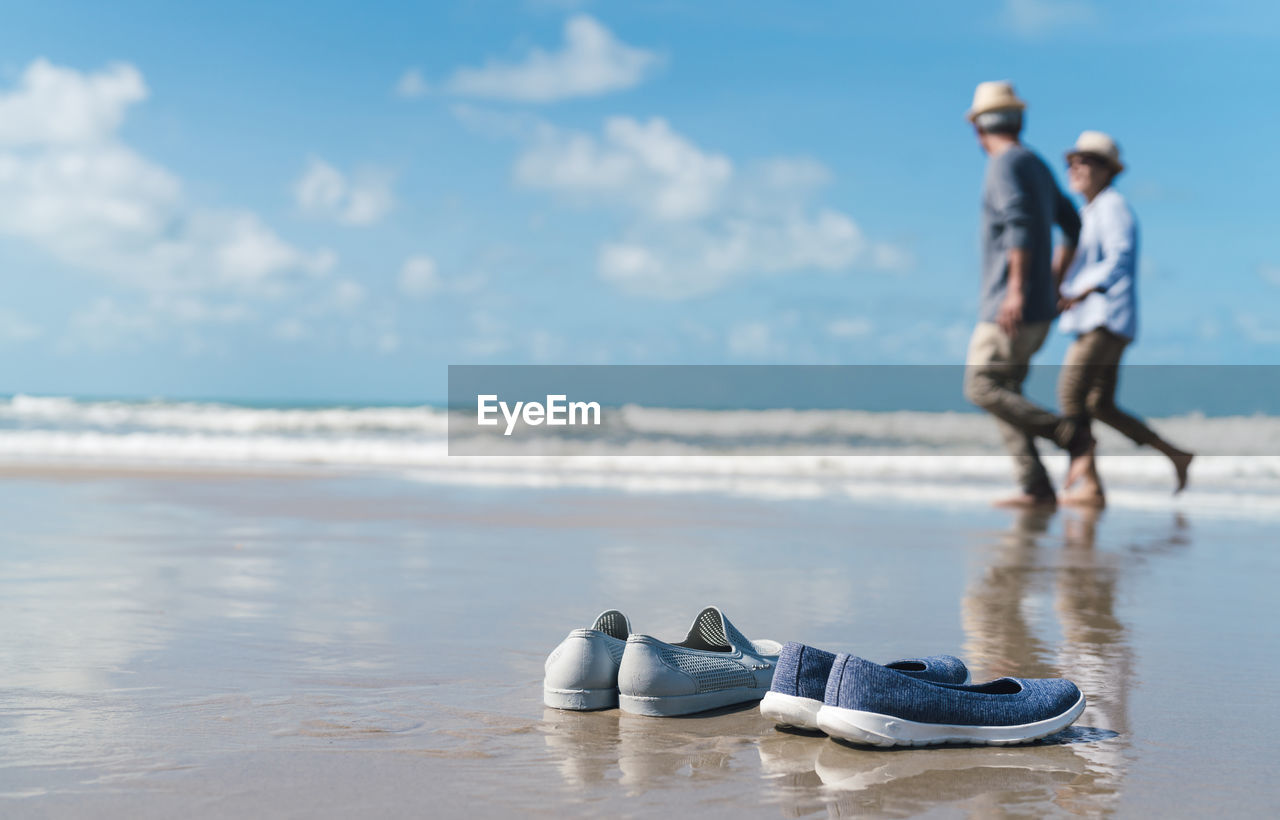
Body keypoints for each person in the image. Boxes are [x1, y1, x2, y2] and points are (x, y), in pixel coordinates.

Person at [962, 81, 1092, 508]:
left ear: (980, 130)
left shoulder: (1004, 165)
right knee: (1006, 393)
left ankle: (1070, 437)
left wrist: (1016, 290)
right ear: (1019, 120)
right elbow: (1072, 225)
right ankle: (1035, 486)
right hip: (1037, 309)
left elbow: (1018, 224)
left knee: (981, 386)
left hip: (1008, 304)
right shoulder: (1035, 163)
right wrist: (1053, 282)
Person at [1055, 131, 1194, 505]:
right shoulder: (1087, 211)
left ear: (1106, 170)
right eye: (1072, 161)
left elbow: (1121, 257)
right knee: (1101, 405)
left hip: (1105, 318)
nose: (1075, 168)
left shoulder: (1113, 206)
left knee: (1070, 394)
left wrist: (1083, 290)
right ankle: (1174, 453)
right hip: (1095, 319)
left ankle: (1090, 483)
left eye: (1084, 161)